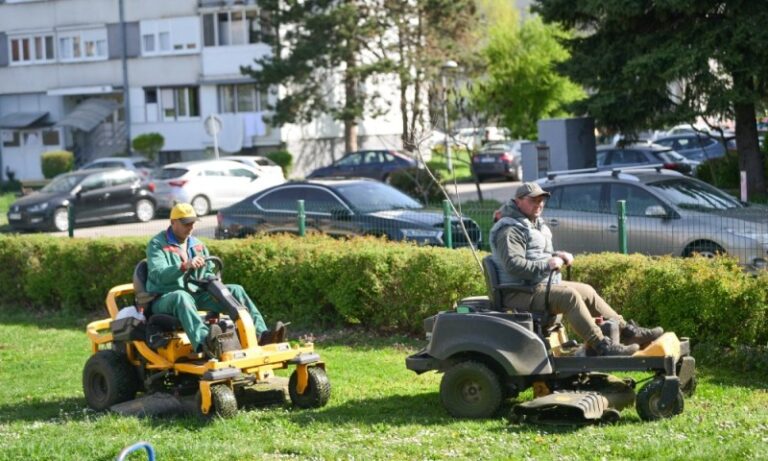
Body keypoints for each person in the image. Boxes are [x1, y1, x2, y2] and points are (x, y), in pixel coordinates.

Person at [489, 182, 663, 356]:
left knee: (586, 291)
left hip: (536, 285)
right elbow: (513, 266)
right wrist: (548, 264)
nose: (539, 204)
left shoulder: (532, 223)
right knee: (569, 297)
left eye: (542, 200)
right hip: (518, 293)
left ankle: (628, 333)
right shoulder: (510, 230)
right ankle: (602, 345)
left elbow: (536, 253)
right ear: (518, 201)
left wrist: (558, 255)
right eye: (533, 200)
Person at [146, 203, 285, 358]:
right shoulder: (157, 244)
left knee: (235, 290)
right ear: (173, 222)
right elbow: (159, 274)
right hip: (166, 297)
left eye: (192, 223)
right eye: (186, 223)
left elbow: (209, 271)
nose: (191, 227)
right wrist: (184, 266)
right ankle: (205, 343)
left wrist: (213, 279)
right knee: (181, 296)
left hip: (196, 294)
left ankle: (262, 335)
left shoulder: (198, 245)